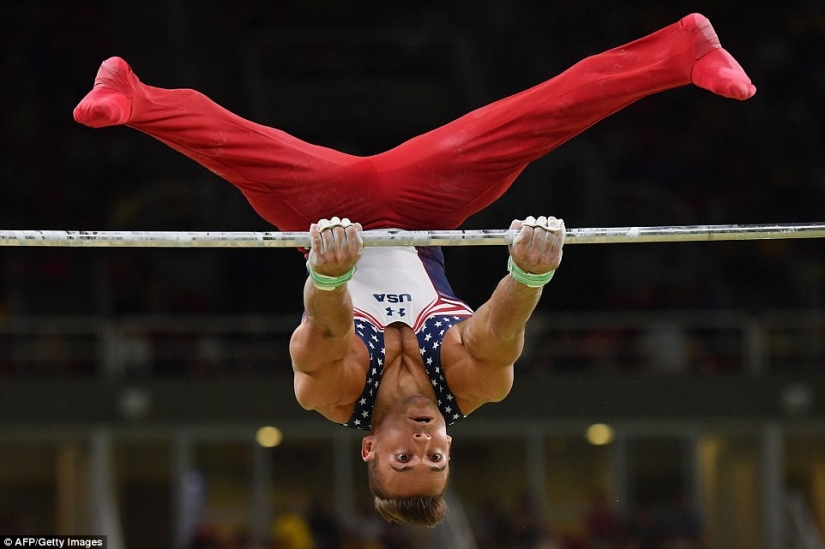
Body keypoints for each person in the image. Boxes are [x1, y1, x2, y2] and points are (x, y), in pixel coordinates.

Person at [73, 13, 755, 527]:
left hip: (319, 214)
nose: (425, 444)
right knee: (528, 121)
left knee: (237, 148)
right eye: (437, 458)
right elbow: (495, 332)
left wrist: (333, 277)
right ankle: (681, 50)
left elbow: (320, 338)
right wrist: (528, 274)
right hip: (421, 205)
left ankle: (131, 94)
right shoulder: (473, 385)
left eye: (407, 457)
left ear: (370, 448)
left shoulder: (333, 396)